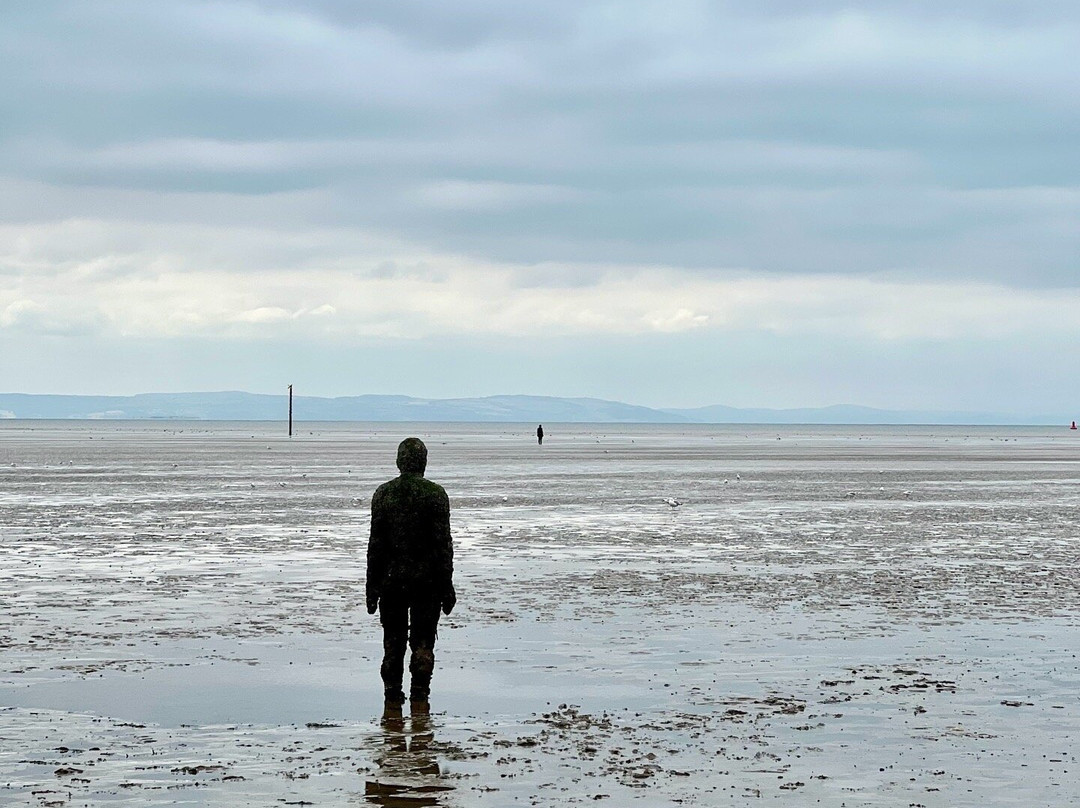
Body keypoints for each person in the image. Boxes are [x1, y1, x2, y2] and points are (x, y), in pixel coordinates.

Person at [366, 438, 456, 704]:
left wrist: (371, 588)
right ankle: (420, 696)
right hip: (426, 583)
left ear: (399, 462)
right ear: (423, 463)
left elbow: (375, 546)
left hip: (391, 582)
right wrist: (447, 586)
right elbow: (443, 546)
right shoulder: (436, 494)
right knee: (423, 642)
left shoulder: (383, 494)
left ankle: (392, 697)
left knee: (392, 642)